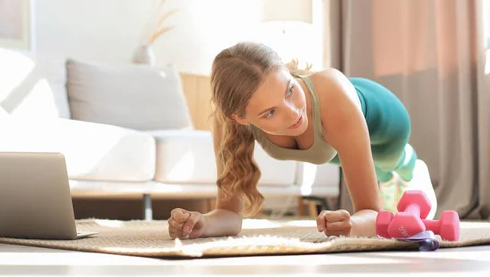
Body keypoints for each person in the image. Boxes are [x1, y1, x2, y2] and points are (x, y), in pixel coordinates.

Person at [167, 41, 437, 240]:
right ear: (240, 118)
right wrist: (201, 223)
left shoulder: (333, 97)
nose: (294, 112)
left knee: (389, 161)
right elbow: (229, 215)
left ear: (288, 72)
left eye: (290, 90)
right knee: (352, 162)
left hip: (383, 120)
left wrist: (354, 224)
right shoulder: (226, 123)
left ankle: (408, 165)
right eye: (270, 112)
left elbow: (370, 210)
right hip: (334, 141)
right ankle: (388, 180)